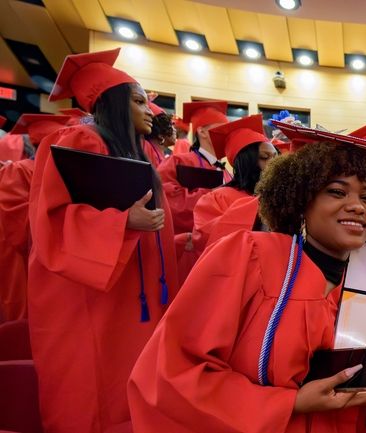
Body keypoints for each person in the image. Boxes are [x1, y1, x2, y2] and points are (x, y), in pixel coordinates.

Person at [127, 128, 366, 433]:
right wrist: (289, 403)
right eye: (336, 191)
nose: (357, 206)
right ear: (301, 199)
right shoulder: (247, 257)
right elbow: (171, 372)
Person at [28, 48, 179, 433]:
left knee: (133, 382)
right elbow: (53, 220)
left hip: (133, 294)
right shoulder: (78, 139)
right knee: (96, 390)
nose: (151, 110)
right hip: (90, 298)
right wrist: (123, 221)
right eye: (139, 100)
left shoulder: (140, 151)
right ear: (112, 103)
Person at [0, 114, 70, 321]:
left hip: (50, 258)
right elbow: (19, 227)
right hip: (21, 258)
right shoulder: (18, 171)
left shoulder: (59, 174)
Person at [193, 114, 276, 253]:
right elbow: (204, 239)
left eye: (276, 157)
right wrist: (259, 205)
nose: (274, 164)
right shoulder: (218, 198)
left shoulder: (278, 196)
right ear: (246, 162)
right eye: (265, 157)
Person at [157, 100, 231, 234]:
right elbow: (166, 203)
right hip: (187, 247)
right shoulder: (178, 162)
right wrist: (213, 195)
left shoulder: (228, 173)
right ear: (202, 132)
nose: (228, 134)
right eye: (222, 129)